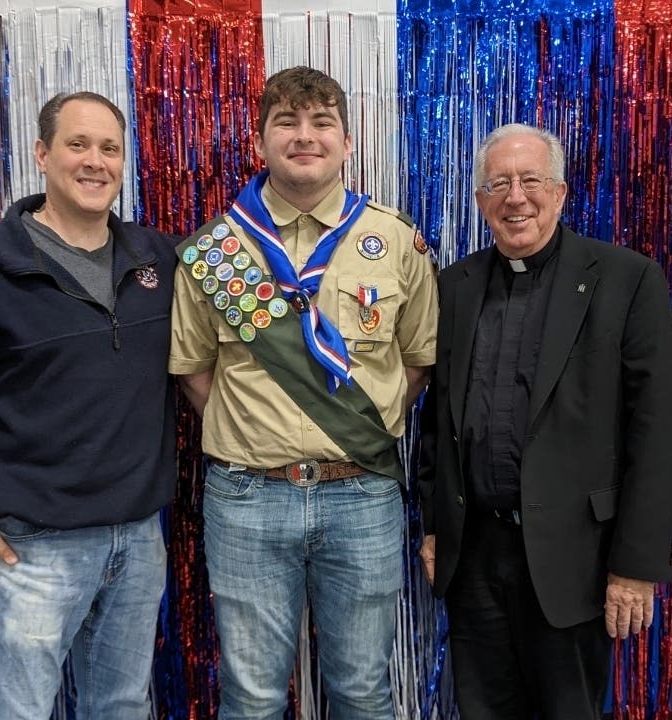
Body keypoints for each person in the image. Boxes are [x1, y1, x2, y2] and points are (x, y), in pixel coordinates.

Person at [0, 91, 178, 720]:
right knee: (15, 712)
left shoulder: (157, 259)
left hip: (135, 542)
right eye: (78, 144)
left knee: (122, 707)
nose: (95, 161)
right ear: (42, 153)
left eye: (109, 148)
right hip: (28, 552)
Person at [169, 65, 438, 718]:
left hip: (363, 494)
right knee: (254, 697)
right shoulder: (217, 251)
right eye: (286, 121)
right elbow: (194, 371)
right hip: (247, 496)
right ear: (260, 141)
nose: (304, 135)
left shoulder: (395, 240)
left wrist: (351, 429)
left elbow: (417, 361)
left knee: (362, 692)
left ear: (348, 143)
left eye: (322, 121)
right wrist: (259, 433)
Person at [418, 123, 672, 719]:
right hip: (475, 560)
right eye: (498, 184)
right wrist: (435, 523)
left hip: (578, 562)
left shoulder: (626, 279)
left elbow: (659, 429)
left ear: (560, 192)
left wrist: (636, 568)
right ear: (481, 200)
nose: (516, 197)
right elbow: (438, 419)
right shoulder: (454, 285)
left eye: (531, 180)